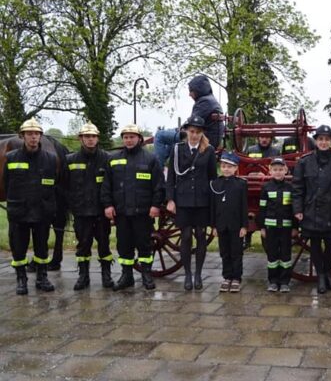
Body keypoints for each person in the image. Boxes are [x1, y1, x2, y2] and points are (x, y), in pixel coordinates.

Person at [101, 124, 164, 291]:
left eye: (132, 137)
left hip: (142, 212)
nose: (129, 140)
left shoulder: (150, 159)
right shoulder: (113, 159)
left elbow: (158, 185)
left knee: (144, 244)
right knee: (124, 245)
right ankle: (126, 276)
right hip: (121, 212)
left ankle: (146, 275)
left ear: (139, 139)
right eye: (126, 137)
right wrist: (108, 205)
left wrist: (155, 205)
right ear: (123, 139)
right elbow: (107, 185)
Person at [292, 125, 331, 294]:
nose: (323, 142)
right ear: (316, 141)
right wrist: (298, 209)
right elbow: (297, 188)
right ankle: (320, 276)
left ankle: (328, 274)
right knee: (316, 245)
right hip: (311, 210)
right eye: (320, 139)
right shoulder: (304, 162)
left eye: (326, 139)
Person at [4, 118, 58, 295]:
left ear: (40, 136)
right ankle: (21, 279)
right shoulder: (11, 158)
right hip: (20, 211)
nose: (33, 137)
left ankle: (42, 277)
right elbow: (6, 184)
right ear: (22, 136)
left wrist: (49, 207)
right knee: (18, 247)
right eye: (29, 134)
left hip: (42, 211)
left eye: (36, 134)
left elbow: (52, 184)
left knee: (41, 246)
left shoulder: (50, 159)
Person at [166, 115, 217, 291]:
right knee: (186, 236)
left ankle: (198, 274)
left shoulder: (208, 150)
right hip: (183, 200)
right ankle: (187, 273)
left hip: (202, 200)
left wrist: (213, 200)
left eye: (198, 132)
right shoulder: (177, 149)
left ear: (202, 133)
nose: (194, 135)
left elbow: (212, 177)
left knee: (201, 236)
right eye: (192, 131)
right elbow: (171, 175)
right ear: (187, 131)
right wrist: (171, 199)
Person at [66, 122, 114, 290]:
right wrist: (72, 205)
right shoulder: (70, 160)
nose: (90, 139)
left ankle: (106, 276)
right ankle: (83, 277)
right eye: (87, 136)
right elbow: (64, 186)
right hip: (81, 212)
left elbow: (111, 185)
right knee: (83, 245)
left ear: (97, 138)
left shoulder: (107, 159)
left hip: (101, 212)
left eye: (93, 136)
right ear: (81, 139)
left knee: (104, 245)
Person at [257, 157, 297, 292]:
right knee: (272, 255)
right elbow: (262, 209)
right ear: (270, 171)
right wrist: (261, 227)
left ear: (286, 170)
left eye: (281, 169)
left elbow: (294, 210)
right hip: (270, 228)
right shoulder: (266, 188)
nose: (278, 172)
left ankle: (285, 282)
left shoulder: (290, 188)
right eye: (275, 170)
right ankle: (273, 281)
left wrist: (295, 227)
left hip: (286, 228)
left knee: (286, 255)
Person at [210, 152, 248, 293]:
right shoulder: (215, 184)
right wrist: (213, 225)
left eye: (230, 167)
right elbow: (213, 207)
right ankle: (227, 277)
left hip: (236, 225)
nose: (226, 169)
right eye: (224, 166)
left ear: (235, 168)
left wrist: (244, 225)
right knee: (224, 252)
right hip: (221, 225)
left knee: (236, 252)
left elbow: (244, 206)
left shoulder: (241, 184)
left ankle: (236, 278)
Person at [189, 75, 225, 149]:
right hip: (211, 138)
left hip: (203, 139)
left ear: (197, 90)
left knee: (161, 136)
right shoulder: (211, 100)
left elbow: (192, 123)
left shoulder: (204, 102)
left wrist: (180, 129)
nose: (189, 94)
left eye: (191, 91)